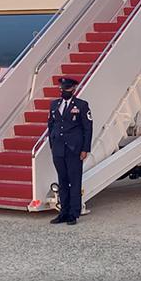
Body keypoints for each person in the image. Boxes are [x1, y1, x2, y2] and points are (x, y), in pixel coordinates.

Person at [48, 77, 93, 226]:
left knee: (74, 181)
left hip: (74, 149)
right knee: (62, 181)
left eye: (66, 89)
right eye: (62, 89)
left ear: (73, 89)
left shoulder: (81, 105)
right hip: (59, 148)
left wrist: (85, 148)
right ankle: (63, 212)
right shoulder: (55, 104)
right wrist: (52, 145)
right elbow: (51, 125)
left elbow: (87, 127)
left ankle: (73, 213)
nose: (63, 91)